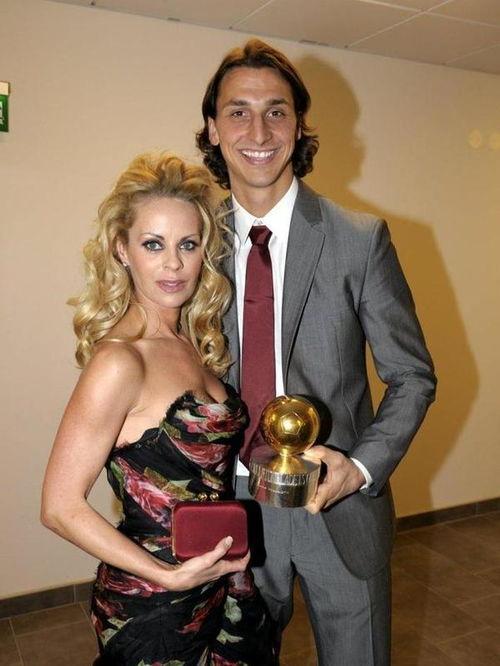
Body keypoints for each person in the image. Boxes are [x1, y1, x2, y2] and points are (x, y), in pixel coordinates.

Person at [196, 39, 437, 665]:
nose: (258, 131)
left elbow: (412, 376)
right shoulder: (191, 244)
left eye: (276, 111)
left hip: (338, 504)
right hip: (229, 506)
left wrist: (360, 468)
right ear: (213, 129)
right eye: (238, 111)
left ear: (300, 125)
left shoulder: (359, 239)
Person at [41, 152, 276, 665]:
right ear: (121, 249)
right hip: (153, 604)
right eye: (153, 244)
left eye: (187, 244)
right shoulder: (119, 360)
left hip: (222, 582)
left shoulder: (190, 341)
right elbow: (59, 506)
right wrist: (167, 576)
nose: (173, 263)